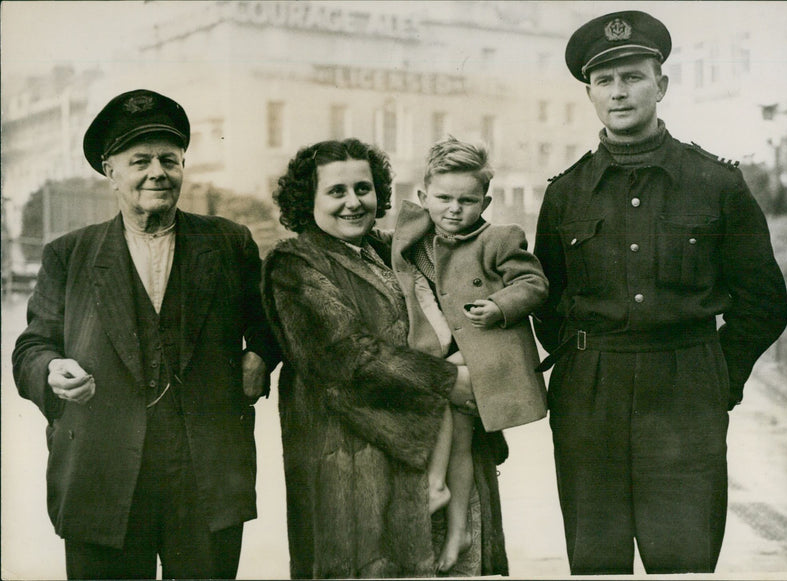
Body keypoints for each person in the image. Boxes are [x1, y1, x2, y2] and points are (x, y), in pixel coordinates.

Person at [533, 10, 787, 575]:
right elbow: (547, 304)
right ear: (590, 93)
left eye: (633, 77)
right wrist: (585, 360)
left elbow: (766, 302)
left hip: (686, 392)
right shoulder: (565, 194)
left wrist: (720, 372)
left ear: (661, 85)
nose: (619, 93)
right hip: (589, 396)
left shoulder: (717, 184)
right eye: (605, 81)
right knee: (596, 563)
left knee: (684, 562)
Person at [12, 89, 281, 579]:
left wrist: (260, 356)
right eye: (140, 160)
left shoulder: (227, 244)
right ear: (111, 172)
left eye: (169, 159)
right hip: (103, 474)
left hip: (205, 476)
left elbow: (268, 323)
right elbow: (32, 346)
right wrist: (52, 369)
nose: (157, 171)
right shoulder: (68, 255)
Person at [261, 138, 509, 578]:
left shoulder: (393, 248)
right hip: (363, 478)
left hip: (442, 459)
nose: (353, 202)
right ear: (308, 199)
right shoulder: (296, 261)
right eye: (336, 192)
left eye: (363, 188)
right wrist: (448, 381)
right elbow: (345, 358)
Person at [390, 137, 548, 572]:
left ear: (485, 201)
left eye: (467, 200)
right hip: (445, 350)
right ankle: (457, 525)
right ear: (423, 197)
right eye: (443, 198)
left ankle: (437, 487)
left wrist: (499, 306)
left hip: (486, 353)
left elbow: (534, 284)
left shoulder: (498, 239)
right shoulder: (412, 234)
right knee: (458, 437)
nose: (454, 209)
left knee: (440, 391)